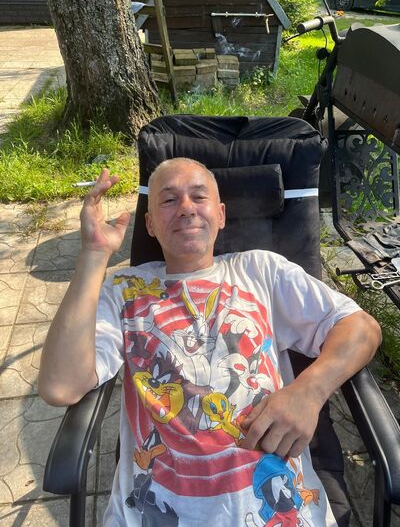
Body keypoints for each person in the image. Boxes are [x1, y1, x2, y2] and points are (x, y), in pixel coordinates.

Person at [38, 158, 381, 527]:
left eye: (199, 197)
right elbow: (60, 385)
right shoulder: (124, 290)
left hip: (279, 508)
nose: (186, 208)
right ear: (150, 224)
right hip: (157, 511)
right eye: (169, 200)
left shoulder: (261, 271)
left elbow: (361, 328)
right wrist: (93, 256)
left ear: (220, 215)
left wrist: (309, 391)